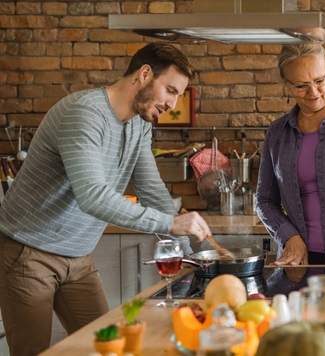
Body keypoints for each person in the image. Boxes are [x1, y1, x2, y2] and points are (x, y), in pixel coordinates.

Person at [0, 43, 212, 356]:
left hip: (79, 257)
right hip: (29, 254)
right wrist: (171, 223)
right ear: (143, 74)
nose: (172, 103)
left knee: (112, 347)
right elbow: (93, 197)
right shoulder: (85, 113)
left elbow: (151, 189)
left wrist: (203, 252)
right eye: (169, 90)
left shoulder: (139, 123)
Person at [256, 43, 325, 266]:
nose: (313, 93)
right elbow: (265, 200)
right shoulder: (277, 133)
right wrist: (289, 237)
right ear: (287, 85)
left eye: (319, 81)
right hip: (298, 261)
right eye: (301, 85)